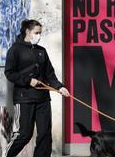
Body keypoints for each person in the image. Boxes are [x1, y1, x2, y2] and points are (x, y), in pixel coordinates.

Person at [4, 19, 69, 157]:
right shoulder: (15, 50)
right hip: (24, 98)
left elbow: (50, 75)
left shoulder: (42, 51)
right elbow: (9, 73)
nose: (39, 35)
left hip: (43, 99)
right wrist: (28, 81)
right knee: (24, 134)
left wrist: (60, 87)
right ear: (28, 31)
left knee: (45, 134)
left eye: (40, 33)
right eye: (37, 32)